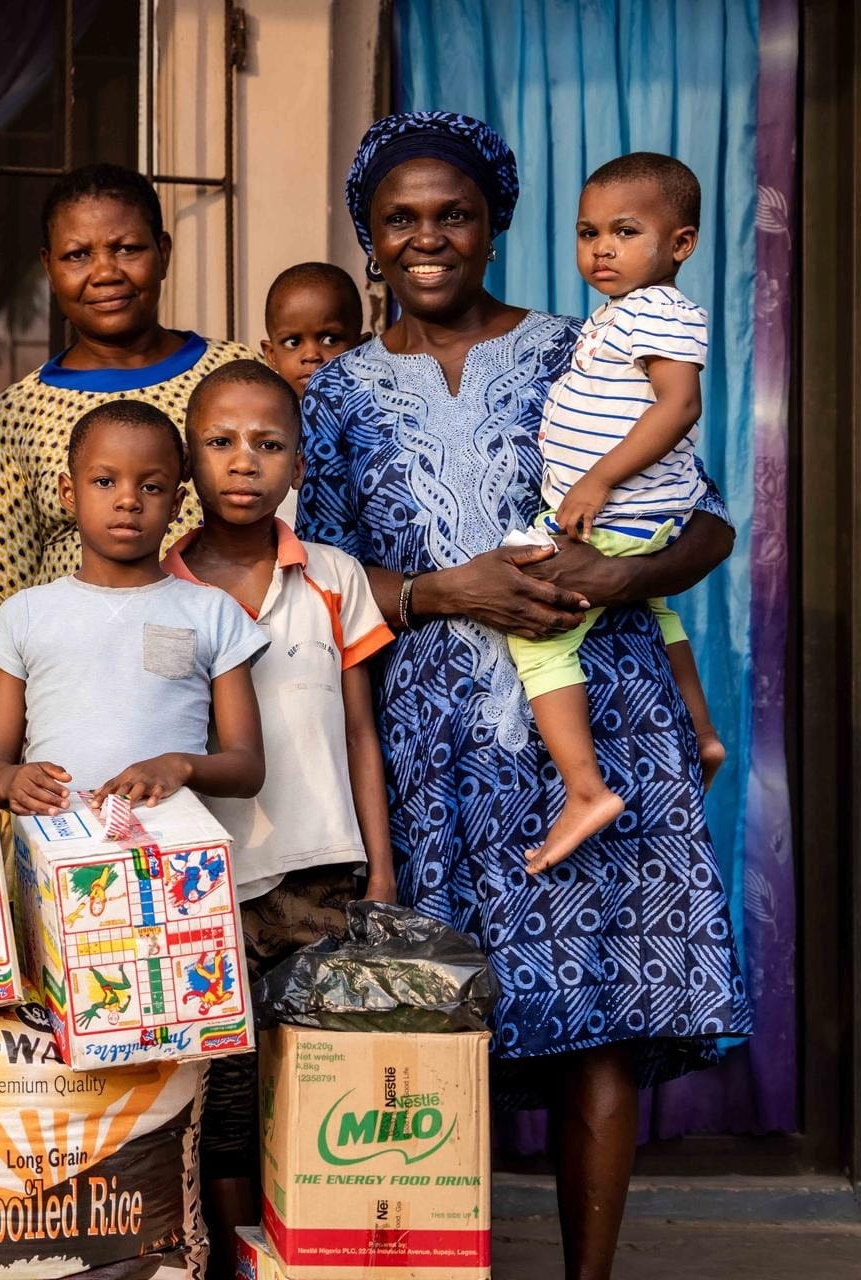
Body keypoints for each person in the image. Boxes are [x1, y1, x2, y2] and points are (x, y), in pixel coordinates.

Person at [301, 111, 749, 1279]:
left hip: (597, 725)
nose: (430, 237)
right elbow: (327, 581)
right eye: (402, 219)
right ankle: (445, 1258)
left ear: (496, 222)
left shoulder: (583, 346)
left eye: (454, 213)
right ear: (371, 237)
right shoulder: (338, 394)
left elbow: (706, 520)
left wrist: (619, 571)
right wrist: (450, 590)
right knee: (445, 1024)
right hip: (433, 743)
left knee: (601, 1015)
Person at [159, 359, 395, 1242]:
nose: (244, 462)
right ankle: (227, 1258)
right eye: (220, 443)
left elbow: (359, 732)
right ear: (188, 461)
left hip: (320, 874)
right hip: (203, 883)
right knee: (221, 1095)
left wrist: (380, 868)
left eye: (268, 444)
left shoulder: (334, 576)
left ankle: (316, 1248)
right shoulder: (160, 588)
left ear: (299, 464)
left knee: (318, 1081)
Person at [512, 151, 723, 873]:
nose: (602, 248)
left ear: (680, 245)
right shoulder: (620, 315)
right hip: (634, 515)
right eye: (587, 231)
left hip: (620, 513)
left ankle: (583, 788)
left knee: (537, 632)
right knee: (659, 611)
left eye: (625, 231)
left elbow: (679, 406)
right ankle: (700, 731)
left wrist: (597, 481)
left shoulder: (663, 310)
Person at [0, 163, 257, 615]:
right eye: (77, 255)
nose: (104, 273)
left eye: (127, 248)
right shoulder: (20, 411)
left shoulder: (234, 374)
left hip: (232, 651)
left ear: (163, 252)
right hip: (73, 669)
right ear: (49, 267)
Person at [0, 400, 266, 818]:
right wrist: (11, 781)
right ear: (67, 493)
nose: (128, 500)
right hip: (60, 853)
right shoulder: (23, 614)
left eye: (150, 487)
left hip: (176, 859)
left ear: (176, 504)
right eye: (105, 481)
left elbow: (247, 768)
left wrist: (180, 765)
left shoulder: (212, 612)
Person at [258, 261, 368, 399]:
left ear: (362, 349)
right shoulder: (265, 416)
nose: (311, 355)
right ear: (271, 355)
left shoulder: (381, 414)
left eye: (330, 340)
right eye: (293, 342)